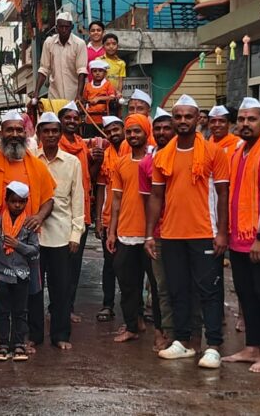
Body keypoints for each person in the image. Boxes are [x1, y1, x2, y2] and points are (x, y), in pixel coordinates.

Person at [146, 94, 230, 369]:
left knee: (209, 291)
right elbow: (156, 197)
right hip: (170, 234)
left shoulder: (213, 152)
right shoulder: (162, 155)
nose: (182, 121)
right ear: (173, 120)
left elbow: (222, 193)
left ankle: (214, 345)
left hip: (205, 231)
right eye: (178, 116)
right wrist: (150, 234)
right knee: (177, 289)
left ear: (198, 119)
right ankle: (181, 341)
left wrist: (222, 233)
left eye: (188, 116)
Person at [0, 110, 55, 357]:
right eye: (10, 130)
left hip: (26, 239)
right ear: (1, 133)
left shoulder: (36, 165)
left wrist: (38, 217)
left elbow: (49, 199)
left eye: (19, 130)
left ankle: (20, 341)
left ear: (25, 133)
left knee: (25, 290)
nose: (15, 134)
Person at [220, 97, 260, 373]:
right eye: (242, 120)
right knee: (246, 295)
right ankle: (251, 347)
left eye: (252, 119)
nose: (246, 124)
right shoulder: (238, 152)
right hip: (238, 238)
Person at [107, 113, 164, 348]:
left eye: (136, 131)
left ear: (146, 132)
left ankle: (161, 331)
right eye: (129, 131)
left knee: (158, 286)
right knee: (128, 284)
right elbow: (116, 200)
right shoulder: (120, 163)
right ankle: (133, 325)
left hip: (153, 234)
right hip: (126, 233)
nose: (132, 135)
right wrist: (111, 231)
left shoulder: (157, 159)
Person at [29, 112, 84, 350]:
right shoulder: (30, 159)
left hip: (62, 237)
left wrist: (76, 235)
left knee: (62, 290)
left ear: (60, 134)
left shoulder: (73, 163)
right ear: (39, 134)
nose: (51, 135)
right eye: (46, 131)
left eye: (55, 131)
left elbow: (78, 202)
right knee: (34, 290)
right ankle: (34, 335)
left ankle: (61, 336)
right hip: (34, 236)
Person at [57, 102, 102, 322]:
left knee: (74, 264)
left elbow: (89, 177)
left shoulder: (82, 146)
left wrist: (98, 162)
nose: (73, 121)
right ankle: (57, 307)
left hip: (81, 212)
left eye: (76, 118)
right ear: (61, 121)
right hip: (58, 214)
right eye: (68, 118)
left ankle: (69, 307)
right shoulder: (55, 143)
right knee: (58, 264)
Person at [0, 181, 39, 362]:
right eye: (14, 201)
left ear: (26, 202)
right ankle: (2, 345)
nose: (17, 205)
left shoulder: (29, 224)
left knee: (20, 311)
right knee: (2, 311)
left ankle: (18, 344)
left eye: (21, 202)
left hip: (21, 276)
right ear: (6, 201)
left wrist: (18, 245)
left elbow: (34, 250)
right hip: (1, 275)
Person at [138, 107, 177, 350]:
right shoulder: (147, 163)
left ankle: (189, 336)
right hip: (160, 234)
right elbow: (148, 201)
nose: (162, 132)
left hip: (187, 232)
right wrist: (149, 234)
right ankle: (164, 333)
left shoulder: (190, 154)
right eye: (158, 129)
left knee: (185, 287)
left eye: (166, 128)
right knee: (161, 287)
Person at [94, 116, 125, 323]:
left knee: (129, 267)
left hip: (130, 219)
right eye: (109, 131)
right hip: (107, 220)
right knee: (109, 265)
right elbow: (101, 188)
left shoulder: (132, 151)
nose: (113, 133)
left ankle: (132, 310)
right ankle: (108, 304)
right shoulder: (105, 155)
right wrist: (98, 220)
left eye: (116, 129)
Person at [33, 11, 88, 102]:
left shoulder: (79, 44)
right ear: (56, 28)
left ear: (71, 27)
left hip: (73, 96)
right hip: (54, 95)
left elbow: (81, 71)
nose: (63, 30)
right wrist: (36, 93)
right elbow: (43, 69)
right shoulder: (49, 43)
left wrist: (79, 94)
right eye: (61, 27)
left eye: (66, 27)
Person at [82, 60, 118, 135]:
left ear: (105, 73)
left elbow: (112, 97)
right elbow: (84, 100)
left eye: (100, 71)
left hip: (103, 119)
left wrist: (99, 99)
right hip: (90, 119)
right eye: (95, 71)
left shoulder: (107, 84)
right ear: (91, 73)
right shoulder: (88, 86)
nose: (97, 73)